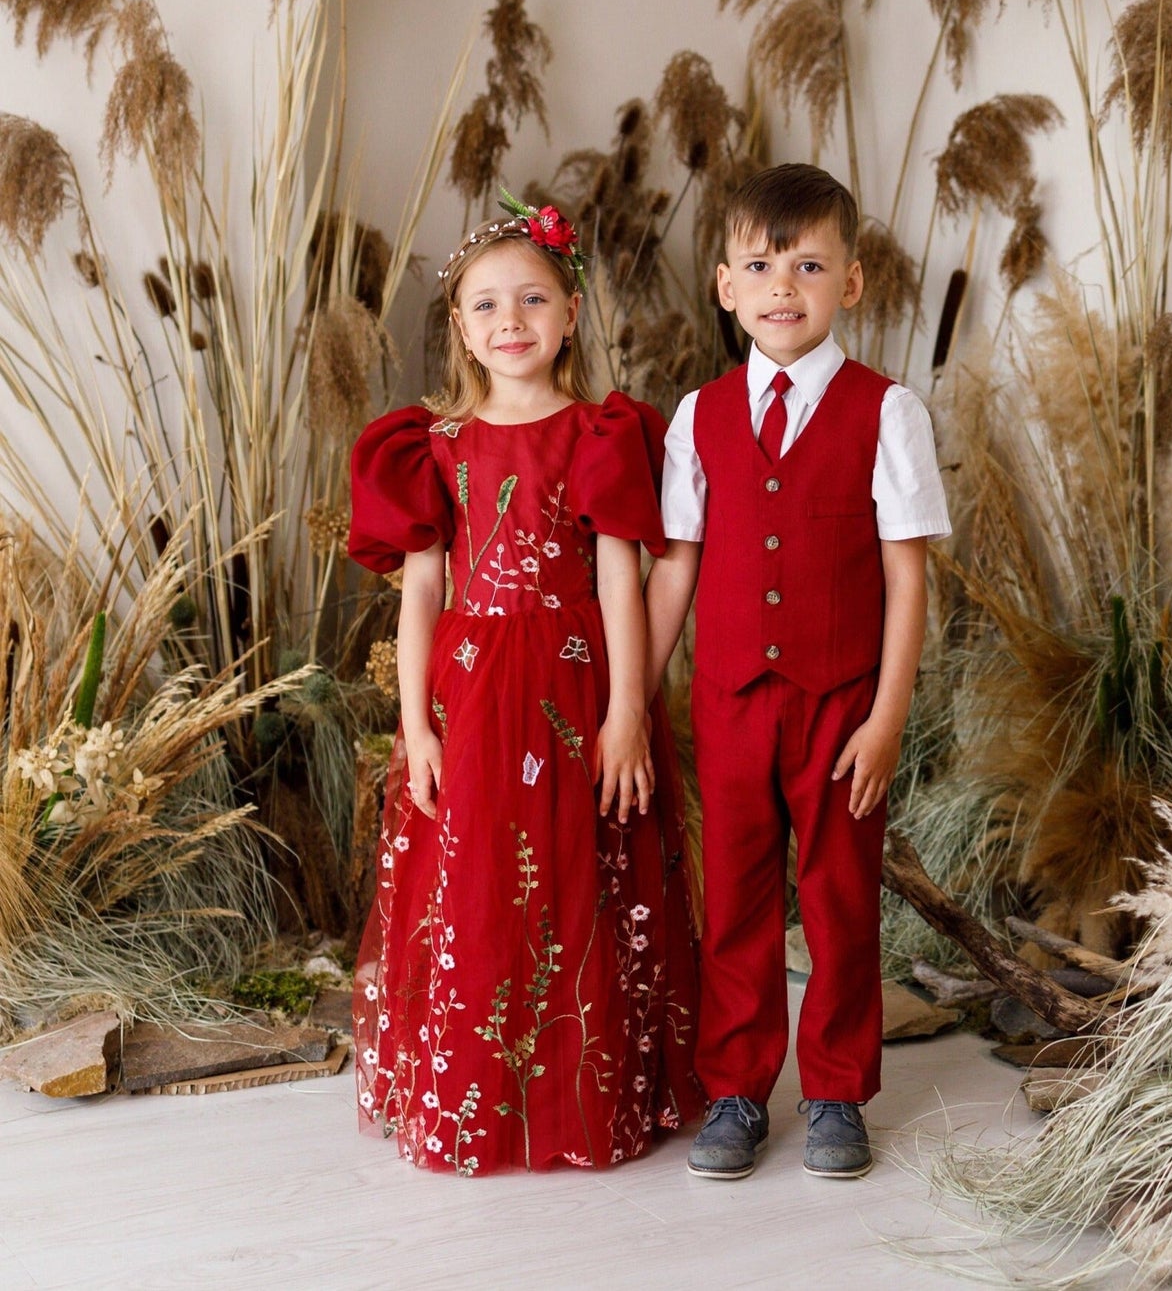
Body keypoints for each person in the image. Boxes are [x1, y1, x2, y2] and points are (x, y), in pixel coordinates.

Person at [348, 194, 701, 1174]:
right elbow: (421, 590)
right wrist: (413, 723)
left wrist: (630, 709)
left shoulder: (600, 430)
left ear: (570, 312)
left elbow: (619, 574)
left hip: (579, 676)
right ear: (459, 326)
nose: (512, 320)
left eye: (534, 298)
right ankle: (481, 1088)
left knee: (592, 869)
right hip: (470, 687)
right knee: (478, 881)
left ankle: (585, 1074)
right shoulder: (435, 444)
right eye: (488, 304)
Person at [644, 163, 950, 1180]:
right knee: (729, 899)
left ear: (849, 284)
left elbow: (907, 580)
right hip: (729, 705)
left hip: (840, 709)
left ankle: (833, 1092)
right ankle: (734, 1086)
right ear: (725, 285)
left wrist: (886, 717)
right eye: (760, 264)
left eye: (809, 264)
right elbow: (676, 566)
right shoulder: (698, 416)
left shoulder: (886, 410)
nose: (784, 284)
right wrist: (635, 697)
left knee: (836, 898)